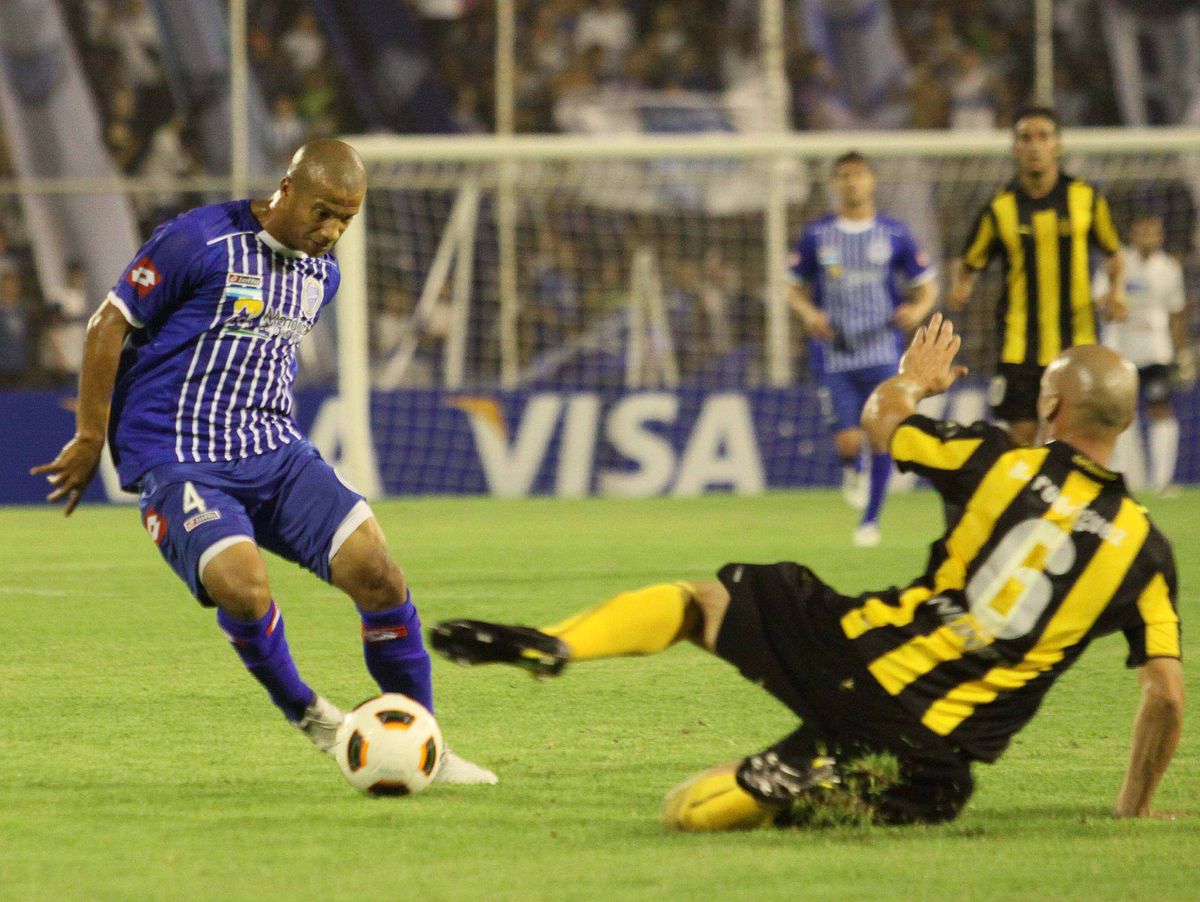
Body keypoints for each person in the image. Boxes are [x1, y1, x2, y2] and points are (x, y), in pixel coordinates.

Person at [431, 314, 1183, 830]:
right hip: (932, 754)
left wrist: (914, 380)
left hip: (853, 652)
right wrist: (1132, 806)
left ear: (1052, 403)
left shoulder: (1000, 461)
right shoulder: (1144, 550)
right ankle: (790, 784)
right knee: (687, 810)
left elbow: (881, 422)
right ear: (1121, 421)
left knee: (702, 603)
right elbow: (1166, 696)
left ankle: (557, 643)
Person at [31, 140, 495, 785]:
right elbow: (109, 325)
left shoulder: (321, 274)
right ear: (287, 189)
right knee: (244, 591)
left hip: (273, 452)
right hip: (180, 459)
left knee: (380, 575)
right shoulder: (198, 241)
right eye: (324, 212)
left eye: (346, 220)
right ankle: (313, 718)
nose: (331, 231)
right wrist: (90, 434)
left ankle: (424, 745)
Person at [948, 106, 1127, 447]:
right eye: (1025, 138)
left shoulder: (1085, 199)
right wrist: (962, 286)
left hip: (1076, 345)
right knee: (1022, 438)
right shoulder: (1000, 208)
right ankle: (1030, 501)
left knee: (1071, 439)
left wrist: (1117, 291)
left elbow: (1115, 254)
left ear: (1057, 144)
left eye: (1043, 137)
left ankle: (1068, 501)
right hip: (1019, 346)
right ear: (1014, 147)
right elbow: (971, 261)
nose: (1034, 146)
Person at [789, 151, 938, 547]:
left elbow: (927, 286)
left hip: (882, 352)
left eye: (858, 175)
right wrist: (807, 313)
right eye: (843, 176)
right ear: (834, 184)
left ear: (871, 181)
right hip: (834, 354)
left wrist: (918, 309)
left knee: (882, 436)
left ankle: (869, 521)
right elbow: (792, 286)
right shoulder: (817, 235)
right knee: (848, 442)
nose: (851, 182)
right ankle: (852, 468)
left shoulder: (893, 234)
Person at [1094, 212, 1193, 495]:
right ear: (1133, 235)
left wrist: (1181, 352)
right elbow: (1097, 302)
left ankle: (1162, 482)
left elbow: (1176, 314)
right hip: (1120, 352)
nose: (1149, 237)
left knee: (1161, 409)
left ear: (1161, 236)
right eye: (1143, 232)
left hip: (1156, 352)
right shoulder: (1117, 263)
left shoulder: (1169, 269)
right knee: (1120, 415)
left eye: (1154, 232)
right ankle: (1124, 479)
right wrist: (1114, 299)